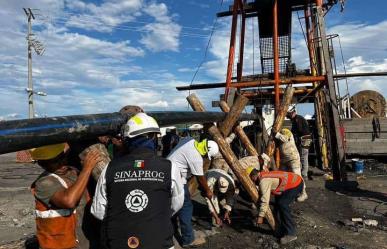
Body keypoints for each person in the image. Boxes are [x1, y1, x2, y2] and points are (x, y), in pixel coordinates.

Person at [91, 113, 184, 249]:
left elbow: (98, 211)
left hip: (119, 242)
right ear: (154, 137)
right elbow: (177, 203)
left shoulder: (109, 168)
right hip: (159, 242)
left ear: (127, 140)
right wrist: (157, 212)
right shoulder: (169, 167)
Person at [30, 143, 101, 249]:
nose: (61, 164)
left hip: (85, 240)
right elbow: (69, 201)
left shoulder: (73, 172)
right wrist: (87, 168)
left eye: (62, 158)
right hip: (62, 245)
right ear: (42, 164)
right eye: (54, 162)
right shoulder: (44, 183)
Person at [167, 137, 219, 247]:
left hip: (166, 171)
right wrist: (208, 191)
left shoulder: (190, 140)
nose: (205, 157)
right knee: (186, 207)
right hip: (176, 178)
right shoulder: (196, 158)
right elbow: (200, 178)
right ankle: (188, 239)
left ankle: (170, 231)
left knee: (172, 205)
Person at [246, 167, 304, 245]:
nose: (251, 181)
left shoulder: (264, 181)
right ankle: (280, 228)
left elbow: (265, 200)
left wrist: (261, 216)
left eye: (250, 179)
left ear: (253, 176)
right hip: (292, 181)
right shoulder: (263, 174)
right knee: (277, 206)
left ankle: (291, 233)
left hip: (295, 183)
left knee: (283, 204)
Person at [274, 128, 308, 202]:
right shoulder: (277, 134)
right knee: (283, 176)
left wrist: (276, 134)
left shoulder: (285, 131)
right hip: (284, 159)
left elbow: (285, 139)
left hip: (293, 158)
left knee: (297, 175)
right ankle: (285, 192)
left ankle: (303, 193)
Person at [286, 108, 312, 179]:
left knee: (303, 156)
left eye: (289, 114)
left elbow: (299, 130)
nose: (289, 116)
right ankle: (302, 172)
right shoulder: (296, 119)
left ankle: (304, 174)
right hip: (305, 138)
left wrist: (293, 134)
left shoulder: (297, 119)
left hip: (304, 138)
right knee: (302, 155)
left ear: (293, 113)